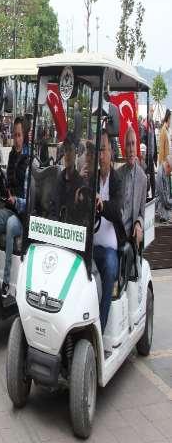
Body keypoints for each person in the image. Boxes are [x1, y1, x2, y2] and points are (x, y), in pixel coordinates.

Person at [0, 117, 29, 298]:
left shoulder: (30, 160)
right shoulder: (13, 154)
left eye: (19, 135)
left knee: (11, 225)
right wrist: (1, 183)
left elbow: (30, 199)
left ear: (25, 136)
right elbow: (9, 182)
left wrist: (17, 201)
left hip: (21, 214)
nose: (16, 138)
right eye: (14, 135)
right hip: (9, 206)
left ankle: (6, 281)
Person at [93, 130, 125, 333]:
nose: (100, 155)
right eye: (98, 150)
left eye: (103, 150)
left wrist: (101, 205)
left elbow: (118, 211)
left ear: (111, 152)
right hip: (91, 246)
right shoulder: (91, 178)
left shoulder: (117, 180)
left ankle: (100, 329)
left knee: (111, 267)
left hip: (110, 249)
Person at [118, 127, 147, 249]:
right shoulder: (117, 174)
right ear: (124, 149)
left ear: (136, 147)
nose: (130, 149)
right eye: (128, 144)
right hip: (115, 230)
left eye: (133, 144)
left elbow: (142, 213)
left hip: (130, 236)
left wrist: (139, 224)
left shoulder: (143, 178)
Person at [49, 133, 84, 225]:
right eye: (66, 150)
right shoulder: (58, 180)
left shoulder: (81, 183)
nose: (67, 154)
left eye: (70, 150)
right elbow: (52, 209)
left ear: (75, 153)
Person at [156, 155, 172, 222]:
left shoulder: (166, 173)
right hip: (161, 207)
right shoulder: (160, 174)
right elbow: (164, 200)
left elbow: (168, 193)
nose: (170, 172)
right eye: (171, 170)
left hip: (167, 204)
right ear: (167, 166)